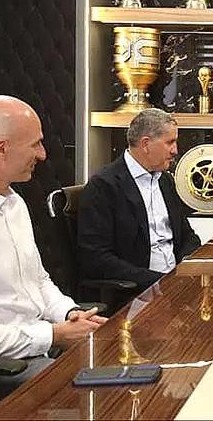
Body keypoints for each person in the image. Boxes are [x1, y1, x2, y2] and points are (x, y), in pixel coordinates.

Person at [0, 96, 105, 419]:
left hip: (28, 356)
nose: (43, 154)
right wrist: (52, 335)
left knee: (120, 380)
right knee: (99, 406)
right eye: (35, 144)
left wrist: (69, 313)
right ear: (2, 148)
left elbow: (36, 280)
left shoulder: (14, 203)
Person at [78, 108, 200, 292]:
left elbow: (187, 236)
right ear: (146, 144)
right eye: (170, 142)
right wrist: (159, 281)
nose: (175, 150)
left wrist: (185, 270)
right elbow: (96, 258)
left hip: (175, 285)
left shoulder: (165, 181)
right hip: (136, 289)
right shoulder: (104, 186)